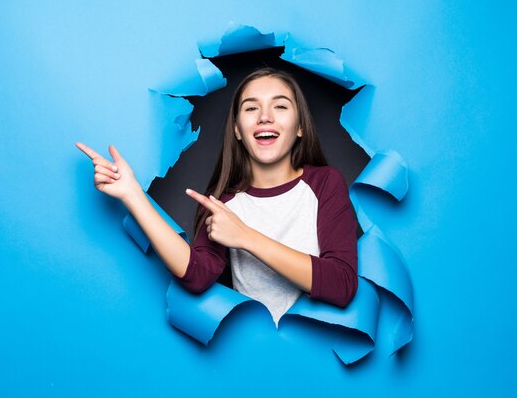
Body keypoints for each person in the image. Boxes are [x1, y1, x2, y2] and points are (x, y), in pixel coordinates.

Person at [76, 68, 358, 324]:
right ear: (237, 129)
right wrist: (133, 195)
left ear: (299, 127)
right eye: (251, 108)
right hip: (260, 354)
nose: (265, 116)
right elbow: (196, 275)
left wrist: (245, 237)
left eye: (280, 106)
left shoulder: (325, 183)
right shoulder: (222, 204)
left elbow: (342, 285)